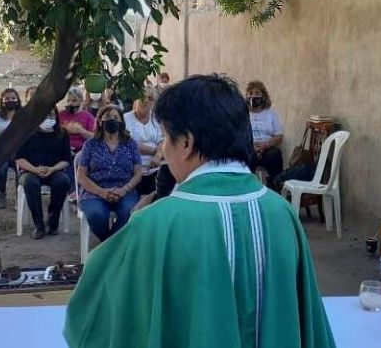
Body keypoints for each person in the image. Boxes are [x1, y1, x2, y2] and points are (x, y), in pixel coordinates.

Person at [64, 75, 335, 348]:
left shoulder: (155, 223)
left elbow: (94, 311)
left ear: (187, 143)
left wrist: (136, 227)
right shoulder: (283, 213)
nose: (164, 150)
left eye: (166, 138)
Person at [76, 105, 142, 242]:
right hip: (94, 191)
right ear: (100, 121)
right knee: (96, 214)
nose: (112, 120)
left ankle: (108, 247)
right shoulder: (90, 145)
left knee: (129, 212)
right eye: (107, 117)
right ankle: (112, 246)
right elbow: (81, 176)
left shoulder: (131, 144)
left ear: (121, 122)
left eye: (116, 117)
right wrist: (101, 192)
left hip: (125, 190)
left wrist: (124, 189)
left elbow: (138, 173)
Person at [15, 107, 73, 239]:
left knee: (63, 182)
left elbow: (66, 160)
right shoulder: (27, 133)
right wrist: (35, 169)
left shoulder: (62, 134)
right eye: (45, 115)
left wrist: (52, 169)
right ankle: (39, 225)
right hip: (30, 171)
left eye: (52, 115)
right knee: (31, 183)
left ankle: (53, 223)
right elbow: (19, 158)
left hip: (54, 170)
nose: (49, 118)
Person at [124, 86, 163, 197]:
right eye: (142, 98)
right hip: (133, 168)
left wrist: (158, 155)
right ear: (136, 100)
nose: (146, 100)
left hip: (155, 168)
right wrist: (155, 151)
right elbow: (130, 144)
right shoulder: (126, 118)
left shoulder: (156, 119)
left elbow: (163, 141)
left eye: (150, 98)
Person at [246, 80, 284, 188]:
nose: (254, 96)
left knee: (274, 155)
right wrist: (253, 146)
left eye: (257, 93)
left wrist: (265, 145)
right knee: (247, 156)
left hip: (267, 147)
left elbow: (279, 136)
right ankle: (248, 187)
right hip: (249, 147)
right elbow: (239, 134)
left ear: (263, 96)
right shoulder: (243, 114)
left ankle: (274, 186)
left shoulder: (271, 113)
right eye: (251, 93)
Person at [0, 88, 21, 208]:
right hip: (2, 151)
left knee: (20, 170)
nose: (10, 100)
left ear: (18, 100)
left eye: (13, 98)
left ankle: (18, 198)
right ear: (2, 101)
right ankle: (2, 193)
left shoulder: (23, 115)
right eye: (7, 98)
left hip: (19, 151)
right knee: (1, 169)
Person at [59, 86, 96, 155]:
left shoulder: (88, 116)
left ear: (81, 101)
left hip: (82, 151)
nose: (70, 103)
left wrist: (81, 130)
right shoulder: (61, 115)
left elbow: (95, 137)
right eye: (68, 101)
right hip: (63, 150)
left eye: (74, 100)